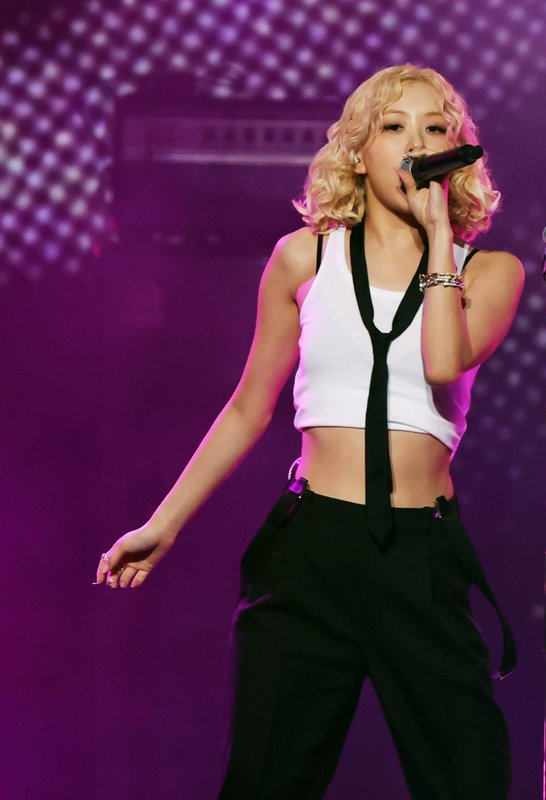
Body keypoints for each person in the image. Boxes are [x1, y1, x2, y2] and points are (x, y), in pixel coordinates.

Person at [94, 64, 524, 799]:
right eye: (394, 127)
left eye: (435, 129)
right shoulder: (304, 257)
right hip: (312, 547)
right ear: (358, 150)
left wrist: (437, 237)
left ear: (456, 153)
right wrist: (163, 525)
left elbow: (442, 361)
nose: (416, 144)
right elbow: (247, 408)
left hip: (419, 554)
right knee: (266, 777)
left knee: (467, 778)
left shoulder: (490, 272)